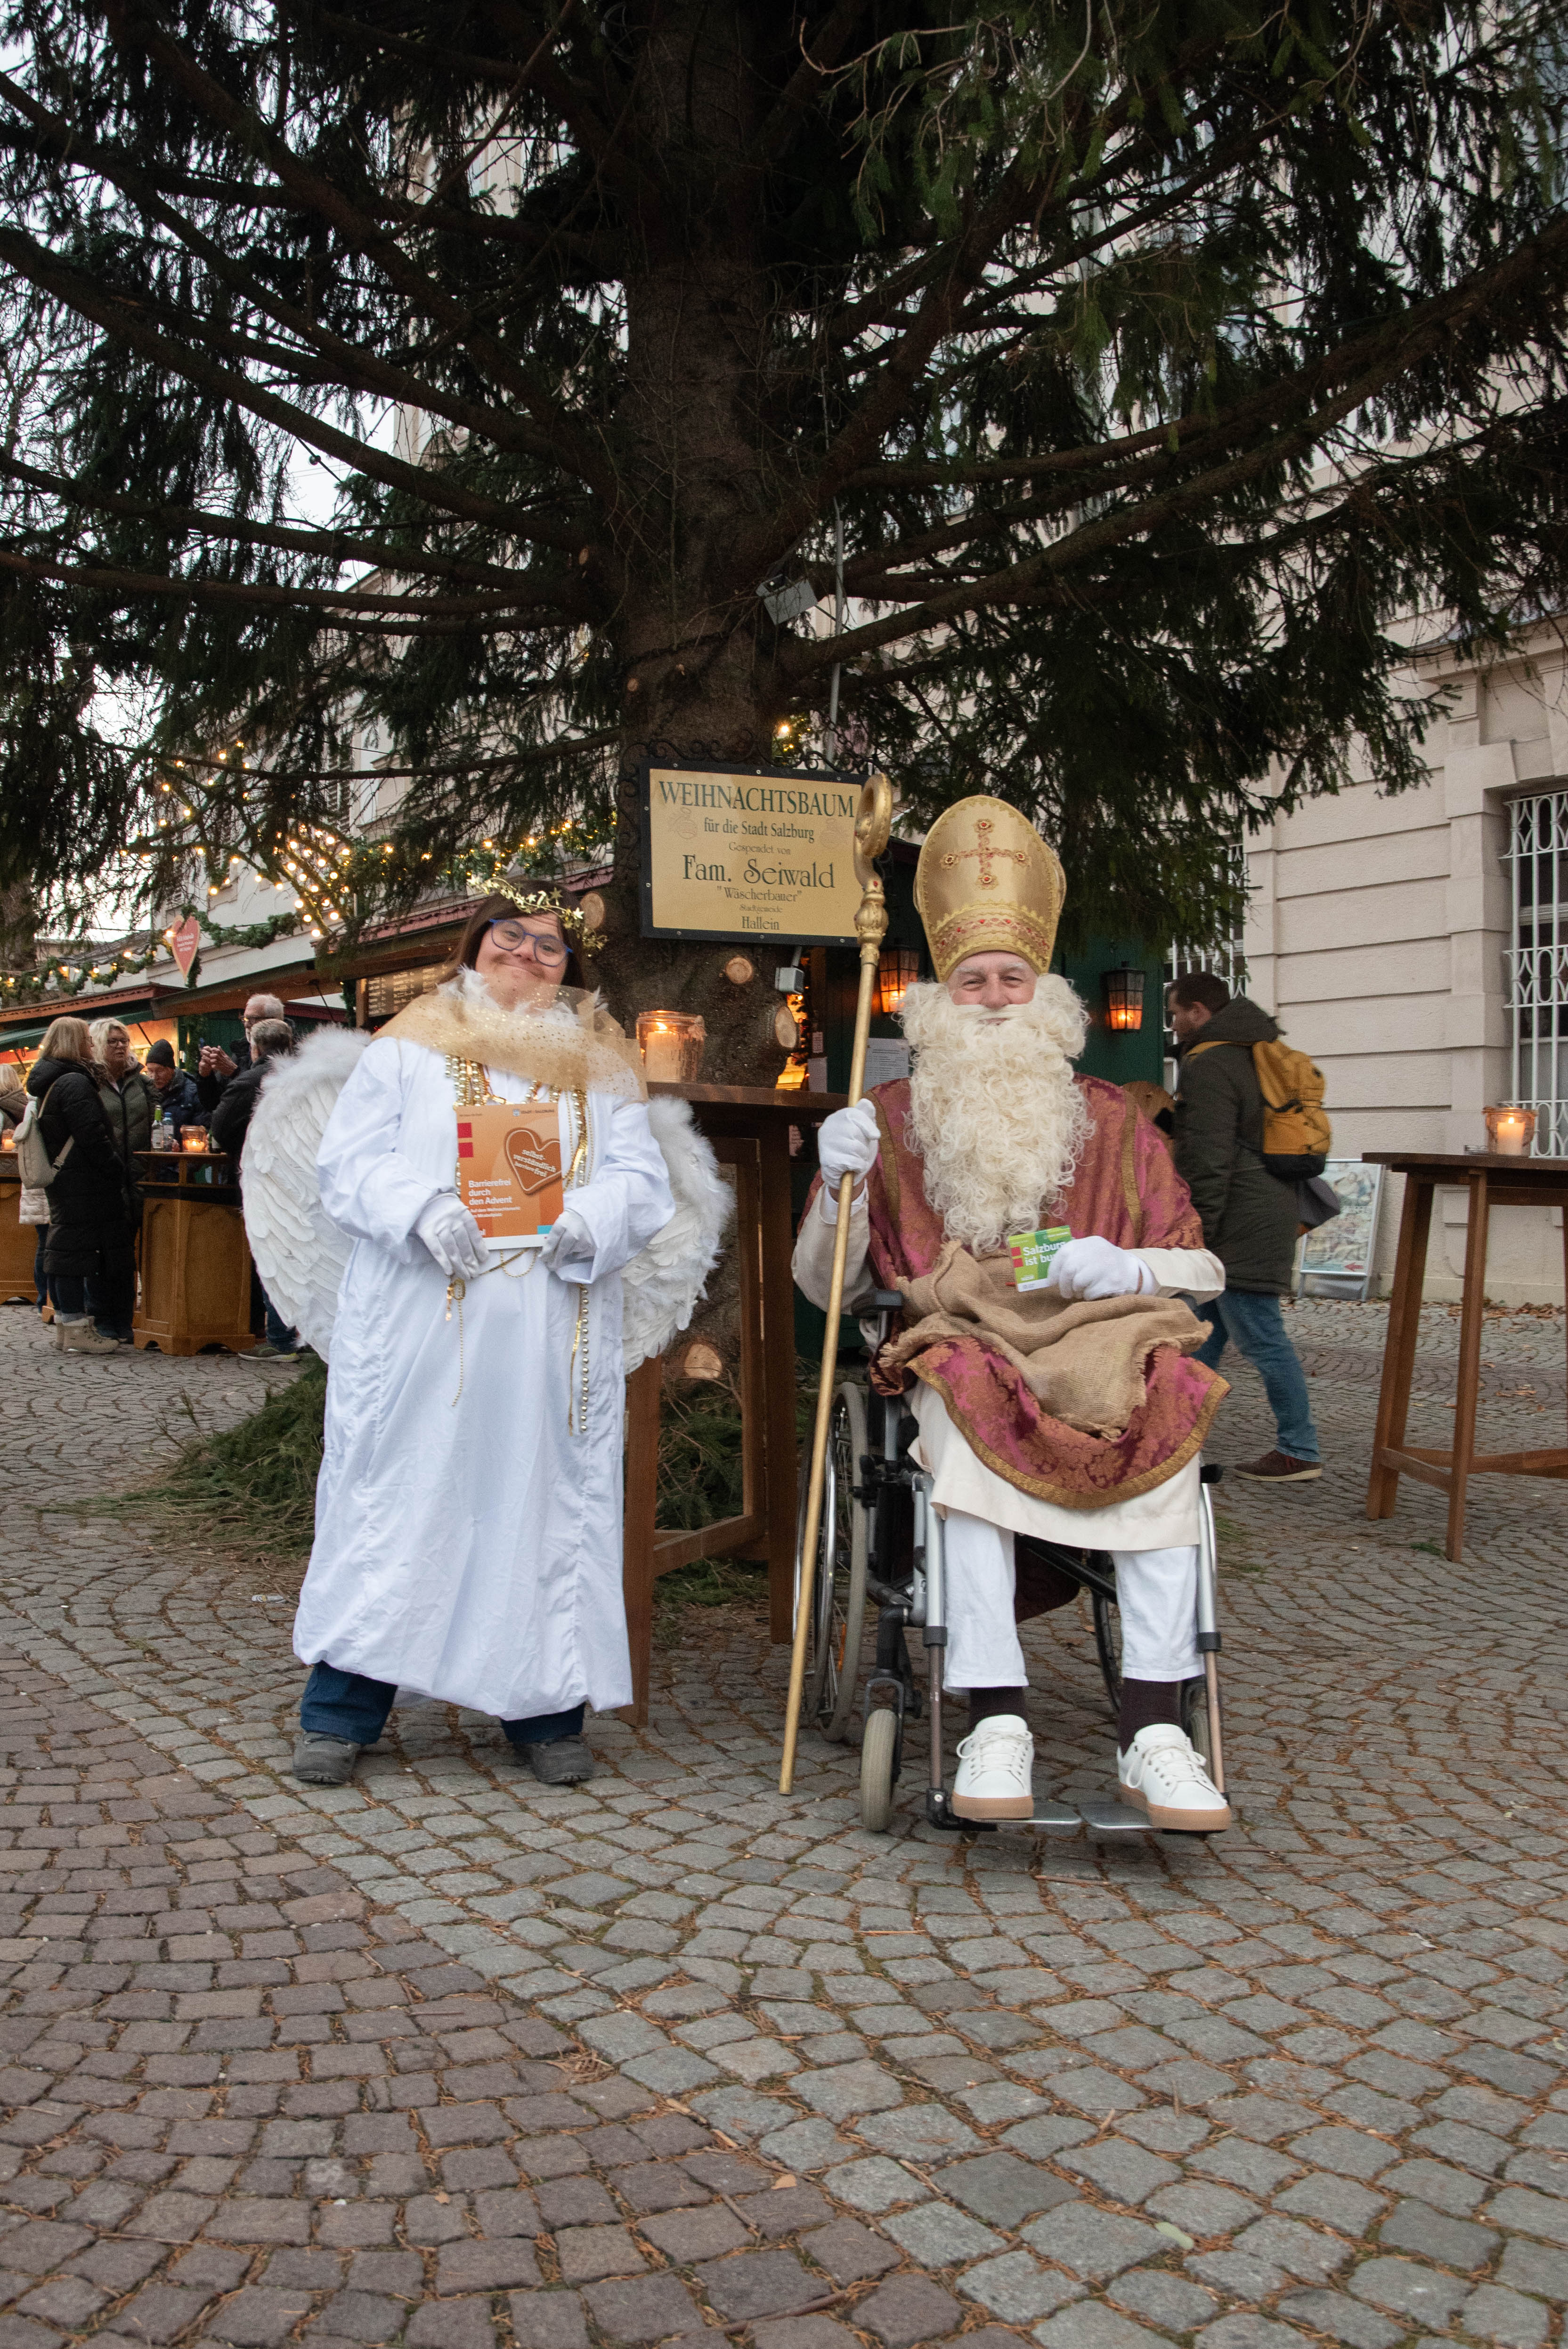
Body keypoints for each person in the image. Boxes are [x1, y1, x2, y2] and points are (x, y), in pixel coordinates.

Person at [795, 798, 1232, 1831]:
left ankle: (1155, 1730)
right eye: (971, 981)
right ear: (938, 1002)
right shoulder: (886, 1123)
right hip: (960, 1343)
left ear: (1045, 997)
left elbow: (1204, 1268)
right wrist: (835, 1185)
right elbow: (826, 1289)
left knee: (1172, 1393)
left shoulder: (1115, 1121)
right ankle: (994, 1718)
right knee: (962, 1393)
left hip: (1101, 1340)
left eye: (1010, 979)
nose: (992, 998)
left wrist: (1127, 1261)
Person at [288, 891, 674, 1790]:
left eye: (549, 946)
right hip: (422, 1321)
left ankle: (542, 1709)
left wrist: (590, 1218)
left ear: (569, 969)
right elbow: (348, 1162)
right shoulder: (408, 1045)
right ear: (473, 949)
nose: (528, 954)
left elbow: (641, 1176)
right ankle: (342, 1707)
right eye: (511, 937)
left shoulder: (600, 1065)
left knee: (537, 1502)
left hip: (547, 1329)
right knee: (397, 1495)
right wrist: (419, 1207)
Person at [1167, 972, 1323, 1483]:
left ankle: (1298, 1449)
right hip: (1262, 1208)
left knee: (1261, 1337)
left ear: (1197, 1010)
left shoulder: (1210, 1062)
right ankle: (1172, 1437)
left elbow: (1207, 1158)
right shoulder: (1256, 1050)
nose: (1173, 1023)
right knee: (1201, 1334)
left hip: (1238, 1223)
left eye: (1175, 1013)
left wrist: (1194, 1233)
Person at [26, 1016, 136, 1356]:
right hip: (83, 1179)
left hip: (65, 1177)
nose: (92, 1045)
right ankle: (76, 1328)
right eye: (87, 1040)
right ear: (75, 1043)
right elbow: (92, 1134)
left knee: (65, 1252)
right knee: (74, 1256)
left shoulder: (51, 1080)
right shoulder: (74, 1081)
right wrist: (115, 1168)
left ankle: (67, 1326)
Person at [211, 1019, 302, 1362]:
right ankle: (304, 1336)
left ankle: (280, 1340)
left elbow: (220, 1129)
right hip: (304, 1180)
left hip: (266, 1180)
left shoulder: (250, 1081)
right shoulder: (307, 1078)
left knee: (272, 1257)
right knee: (300, 1257)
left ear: (255, 1048)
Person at [87, 1020, 156, 1343]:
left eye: (123, 1040)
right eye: (112, 1041)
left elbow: (158, 1117)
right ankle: (102, 1317)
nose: (119, 1046)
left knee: (127, 1253)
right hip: (104, 1177)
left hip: (138, 1176)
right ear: (99, 1044)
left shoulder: (140, 1082)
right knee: (103, 1252)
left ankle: (124, 1319)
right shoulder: (91, 1083)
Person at [197, 993, 286, 1112]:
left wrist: (236, 1073)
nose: (247, 1025)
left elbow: (271, 1099)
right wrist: (206, 1077)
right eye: (245, 1019)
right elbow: (215, 1104)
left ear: (274, 1021)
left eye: (253, 1019)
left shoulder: (290, 1053)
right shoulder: (240, 1051)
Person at [144, 1039, 203, 1131]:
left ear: (172, 1070)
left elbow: (202, 1128)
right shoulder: (145, 1092)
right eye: (150, 1071)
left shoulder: (193, 1093)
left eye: (160, 1071)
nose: (154, 1077)